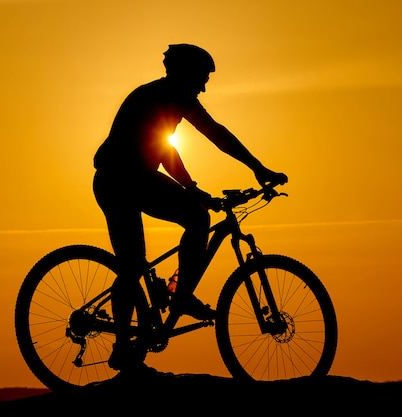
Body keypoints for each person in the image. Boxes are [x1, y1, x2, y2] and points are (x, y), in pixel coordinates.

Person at [93, 44, 288, 372]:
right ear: (185, 73)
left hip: (140, 178)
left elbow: (190, 141)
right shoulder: (158, 97)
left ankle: (177, 293)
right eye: (202, 77)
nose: (204, 86)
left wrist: (195, 188)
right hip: (118, 182)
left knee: (196, 217)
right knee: (133, 264)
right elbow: (191, 141)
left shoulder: (176, 98)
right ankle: (128, 341)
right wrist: (254, 169)